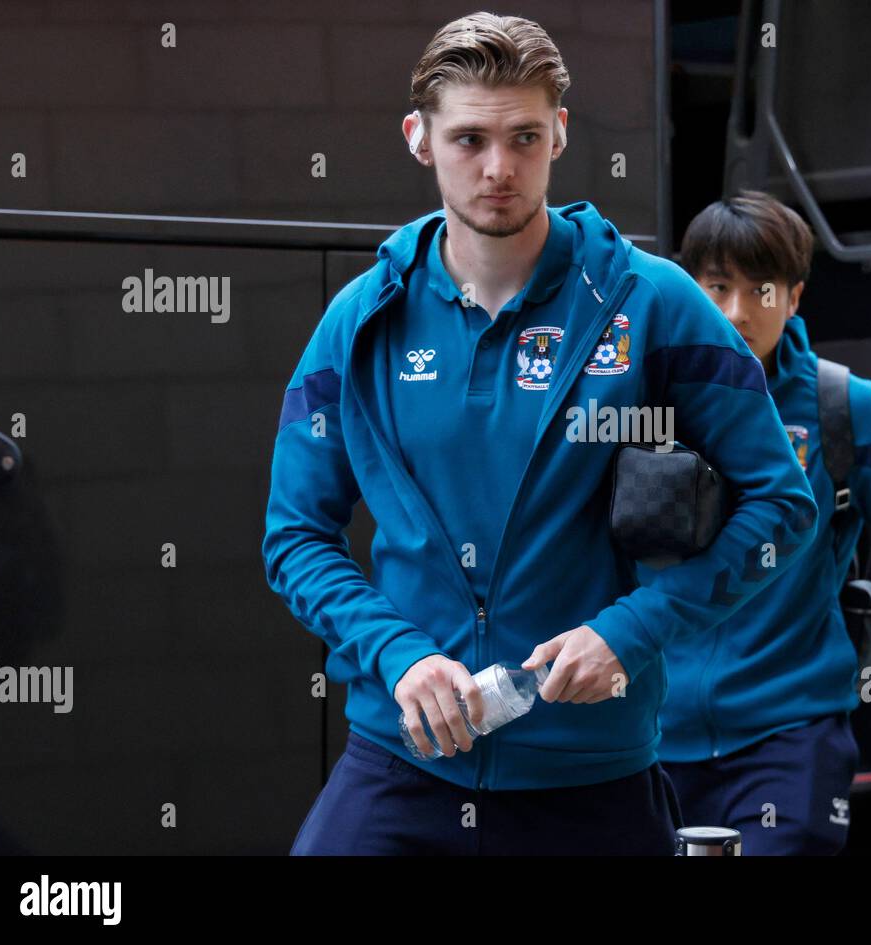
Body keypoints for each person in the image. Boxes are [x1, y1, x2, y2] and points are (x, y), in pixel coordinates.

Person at [261, 16, 818, 856]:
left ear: (559, 132)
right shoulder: (361, 320)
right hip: (405, 760)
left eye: (524, 137)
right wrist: (398, 655)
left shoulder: (652, 302)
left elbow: (781, 503)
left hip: (591, 776)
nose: (498, 168)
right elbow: (295, 534)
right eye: (469, 139)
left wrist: (630, 632)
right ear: (420, 140)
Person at [656, 190, 871, 854]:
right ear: (688, 289)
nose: (736, 311)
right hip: (646, 737)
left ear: (795, 296)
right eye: (717, 287)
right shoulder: (642, 400)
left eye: (761, 289)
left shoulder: (844, 406)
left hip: (789, 738)